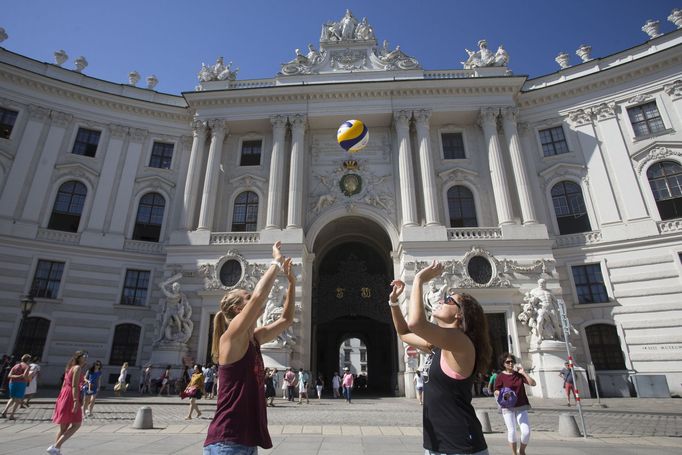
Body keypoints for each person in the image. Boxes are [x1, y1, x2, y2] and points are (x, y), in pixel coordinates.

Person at [388, 260, 491, 455]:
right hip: (437, 444)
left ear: (460, 315)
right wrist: (394, 302)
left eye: (449, 300)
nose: (442, 300)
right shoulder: (437, 346)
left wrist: (418, 280)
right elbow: (403, 332)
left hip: (461, 445)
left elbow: (416, 324)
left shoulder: (462, 344)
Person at [203, 241, 296, 454]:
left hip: (245, 442)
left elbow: (286, 319)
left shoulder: (254, 339)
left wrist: (292, 283)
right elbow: (258, 297)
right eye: (246, 297)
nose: (252, 298)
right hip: (227, 441)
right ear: (238, 309)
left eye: (249, 295)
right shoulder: (231, 337)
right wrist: (276, 262)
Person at [494, 353, 537, 455]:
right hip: (507, 406)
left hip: (521, 405)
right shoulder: (500, 376)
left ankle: (522, 450)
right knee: (512, 431)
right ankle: (514, 453)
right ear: (503, 364)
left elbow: (533, 383)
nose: (510, 363)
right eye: (507, 362)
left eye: (511, 361)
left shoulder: (518, 375)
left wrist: (523, 373)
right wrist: (504, 394)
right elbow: (496, 390)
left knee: (526, 431)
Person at [48, 350, 87, 455]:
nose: (86, 358)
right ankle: (56, 447)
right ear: (79, 357)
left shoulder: (69, 367)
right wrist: (75, 401)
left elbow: (64, 384)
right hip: (71, 396)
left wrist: (61, 398)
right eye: (85, 356)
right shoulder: (77, 368)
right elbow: (74, 385)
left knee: (63, 428)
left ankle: (55, 450)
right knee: (76, 424)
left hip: (64, 395)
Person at [1, 353, 31, 420]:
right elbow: (25, 376)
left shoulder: (16, 365)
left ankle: (4, 412)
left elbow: (9, 375)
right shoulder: (27, 366)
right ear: (28, 360)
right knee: (17, 400)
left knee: (12, 398)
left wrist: (17, 376)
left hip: (12, 383)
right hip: (21, 384)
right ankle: (12, 415)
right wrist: (28, 379)